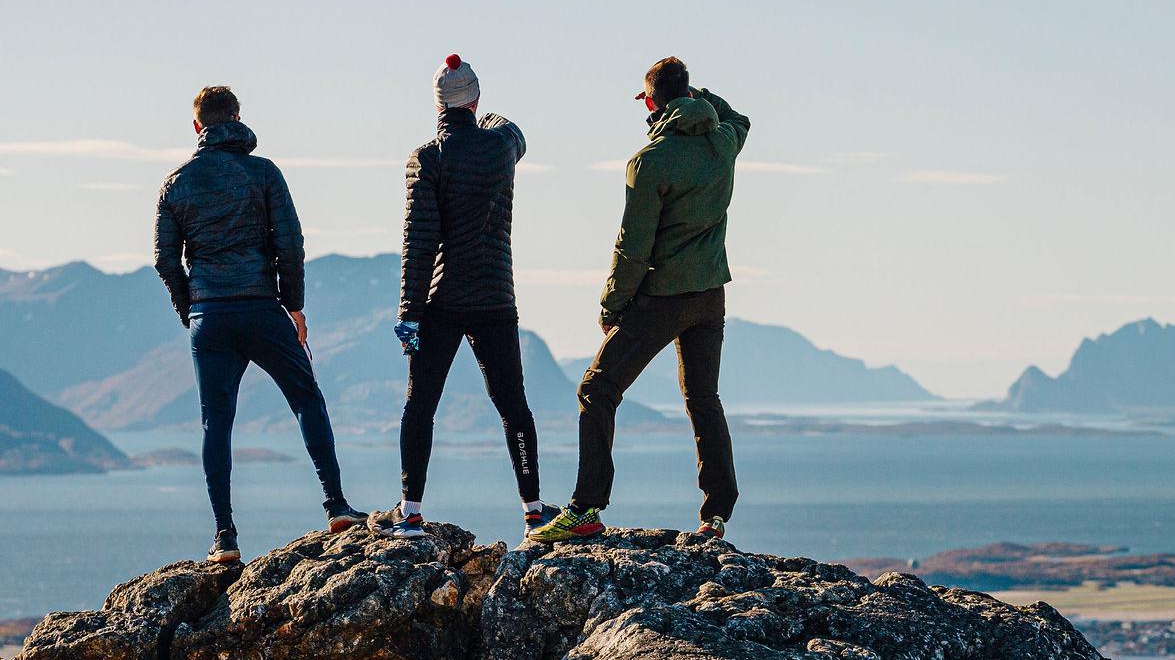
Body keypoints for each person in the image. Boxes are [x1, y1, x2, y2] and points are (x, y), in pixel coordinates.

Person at [530, 58, 748, 543]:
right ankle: (715, 516)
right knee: (703, 398)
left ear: (650, 103)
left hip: (662, 297)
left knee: (597, 389)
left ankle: (586, 508)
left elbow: (633, 246)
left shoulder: (649, 162)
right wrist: (698, 98)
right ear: (687, 94)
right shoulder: (723, 143)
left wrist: (611, 305)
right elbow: (739, 118)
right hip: (710, 295)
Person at [153, 86, 368, 564]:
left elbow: (166, 261)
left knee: (216, 422)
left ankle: (224, 537)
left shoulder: (175, 184)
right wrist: (294, 306)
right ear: (236, 117)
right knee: (306, 398)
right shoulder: (264, 173)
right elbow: (290, 245)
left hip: (210, 316)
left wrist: (192, 309)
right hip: (261, 306)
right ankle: (335, 505)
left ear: (197, 127)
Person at [386, 54, 552, 539]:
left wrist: (408, 314)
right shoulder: (500, 147)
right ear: (475, 99)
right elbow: (513, 129)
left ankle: (411, 512)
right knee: (513, 405)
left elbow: (418, 242)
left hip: (443, 300)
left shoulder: (428, 157)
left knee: (421, 406)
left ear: (436, 104)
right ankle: (534, 510)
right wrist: (484, 115)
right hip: (496, 298)